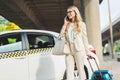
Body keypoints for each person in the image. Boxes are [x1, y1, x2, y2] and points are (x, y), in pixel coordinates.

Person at [59, 5, 95, 80]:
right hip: (69, 51)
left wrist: (87, 52)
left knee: (80, 70)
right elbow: (60, 37)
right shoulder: (66, 25)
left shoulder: (81, 24)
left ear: (75, 13)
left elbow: (85, 39)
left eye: (70, 11)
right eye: (67, 12)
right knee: (69, 71)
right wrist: (65, 24)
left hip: (79, 50)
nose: (68, 13)